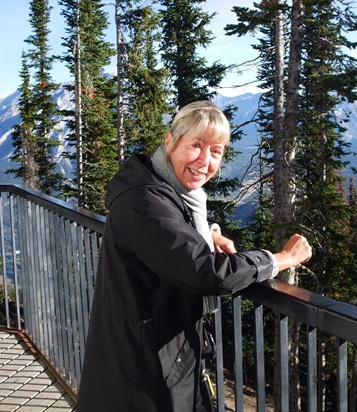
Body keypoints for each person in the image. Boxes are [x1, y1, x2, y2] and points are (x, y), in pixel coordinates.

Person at [77, 101, 312, 412]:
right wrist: (280, 259)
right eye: (196, 146)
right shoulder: (144, 200)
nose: (205, 160)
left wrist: (206, 235)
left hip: (151, 354)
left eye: (216, 151)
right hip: (142, 370)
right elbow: (207, 273)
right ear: (170, 141)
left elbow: (169, 233)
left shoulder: (162, 188)